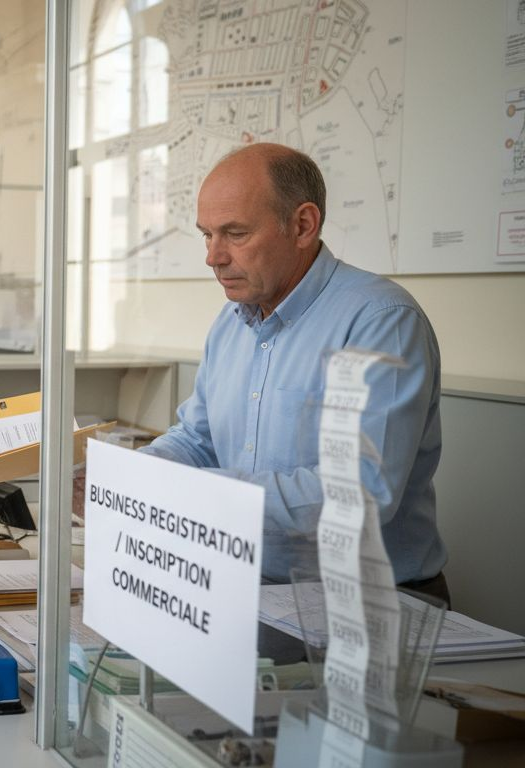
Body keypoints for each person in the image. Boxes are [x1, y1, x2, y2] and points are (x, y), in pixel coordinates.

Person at [138, 143, 449, 604]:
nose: (213, 257)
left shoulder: (381, 320)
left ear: (303, 225)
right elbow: (198, 439)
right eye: (207, 235)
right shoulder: (232, 321)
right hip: (250, 587)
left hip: (370, 608)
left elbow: (361, 492)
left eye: (235, 234)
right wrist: (134, 477)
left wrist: (203, 495)